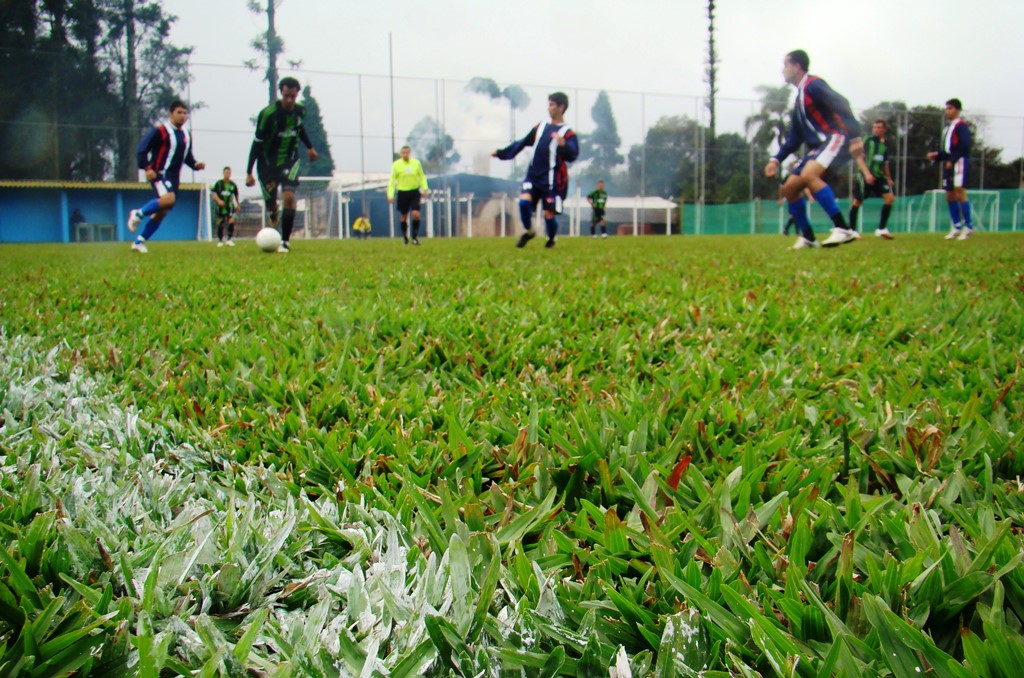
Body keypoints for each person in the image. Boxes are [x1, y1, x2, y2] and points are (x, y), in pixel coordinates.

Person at [764, 50, 870, 250]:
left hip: (835, 137)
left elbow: (842, 103)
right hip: (818, 147)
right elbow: (794, 138)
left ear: (796, 66)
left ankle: (842, 227)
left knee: (809, 174)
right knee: (790, 188)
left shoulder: (813, 84)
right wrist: (775, 159)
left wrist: (856, 136)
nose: (782, 70)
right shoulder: (799, 100)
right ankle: (808, 237)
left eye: (785, 65)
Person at [492, 91, 579, 249]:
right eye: (548, 104)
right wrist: (502, 153)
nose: (549, 108)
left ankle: (551, 239)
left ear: (561, 107)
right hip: (533, 176)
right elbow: (523, 142)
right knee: (524, 202)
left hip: (551, 180)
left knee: (549, 214)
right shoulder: (541, 126)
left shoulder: (567, 132)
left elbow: (573, 153)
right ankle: (530, 231)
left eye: (552, 105)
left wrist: (563, 145)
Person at [245, 77, 318, 253]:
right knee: (271, 205)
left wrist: (309, 147)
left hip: (290, 159)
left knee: (289, 198)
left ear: (296, 94)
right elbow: (257, 142)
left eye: (292, 96)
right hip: (267, 164)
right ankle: (273, 215)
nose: (289, 100)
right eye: (286, 96)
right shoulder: (268, 114)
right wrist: (249, 172)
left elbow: (299, 129)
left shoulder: (300, 111)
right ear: (281, 93)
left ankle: (285, 241)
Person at [126, 99, 205, 253]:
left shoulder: (186, 135)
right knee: (169, 199)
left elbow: (186, 156)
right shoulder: (160, 131)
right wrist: (147, 168)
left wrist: (195, 165)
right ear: (171, 114)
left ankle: (139, 242)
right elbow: (142, 150)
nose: (182, 116)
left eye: (185, 113)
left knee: (162, 211)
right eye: (179, 112)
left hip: (174, 179)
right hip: (160, 175)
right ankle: (138, 213)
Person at [927, 98, 974, 240]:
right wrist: (937, 155)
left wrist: (953, 160)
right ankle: (957, 226)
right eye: (947, 108)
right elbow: (947, 150)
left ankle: (969, 226)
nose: (948, 111)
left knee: (960, 191)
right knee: (949, 194)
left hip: (959, 163)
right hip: (949, 163)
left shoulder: (961, 126)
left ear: (958, 110)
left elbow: (964, 146)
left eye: (951, 108)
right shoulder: (947, 128)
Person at [849, 120, 896, 240]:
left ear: (884, 129)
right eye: (874, 127)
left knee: (889, 198)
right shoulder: (867, 141)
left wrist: (889, 178)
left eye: (879, 127)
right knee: (857, 201)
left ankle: (881, 229)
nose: (876, 129)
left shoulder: (885, 144)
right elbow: (859, 158)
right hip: (865, 175)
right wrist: (866, 174)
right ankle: (852, 231)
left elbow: (885, 163)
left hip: (879, 176)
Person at [387, 146, 429, 245]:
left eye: (406, 153)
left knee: (416, 214)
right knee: (404, 216)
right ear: (401, 154)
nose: (405, 154)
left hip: (414, 191)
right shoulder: (396, 165)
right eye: (403, 153)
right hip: (402, 192)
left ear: (409, 153)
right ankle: (405, 238)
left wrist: (425, 189)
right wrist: (390, 194)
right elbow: (392, 181)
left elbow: (422, 177)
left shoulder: (416, 163)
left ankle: (414, 237)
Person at [211, 166, 240, 247]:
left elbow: (236, 195)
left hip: (230, 206)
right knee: (221, 223)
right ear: (223, 173)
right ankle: (220, 240)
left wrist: (238, 204)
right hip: (221, 207)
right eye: (226, 172)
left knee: (231, 221)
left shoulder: (233, 184)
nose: (228, 174)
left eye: (229, 172)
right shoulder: (219, 184)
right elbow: (213, 194)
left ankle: (229, 239)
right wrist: (219, 201)